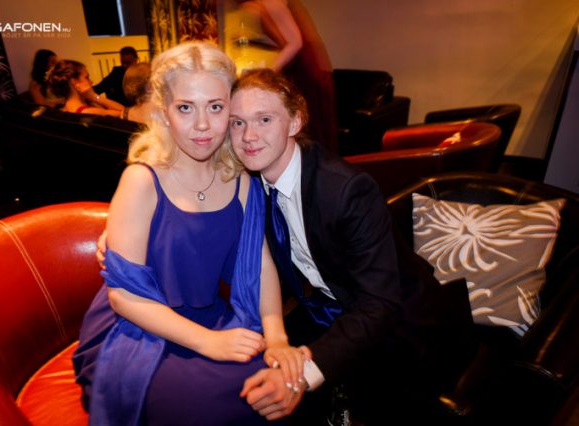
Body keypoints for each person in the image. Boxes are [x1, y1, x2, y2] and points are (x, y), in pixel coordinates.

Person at [73, 42, 306, 425]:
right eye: (185, 108)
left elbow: (259, 264)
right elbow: (123, 296)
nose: (202, 125)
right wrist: (209, 342)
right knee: (218, 407)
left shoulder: (240, 181)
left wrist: (277, 336)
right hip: (134, 332)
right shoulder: (141, 180)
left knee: (267, 386)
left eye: (215, 107)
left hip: (208, 316)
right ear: (163, 111)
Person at [229, 69, 469, 425]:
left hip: (403, 327)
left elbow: (379, 304)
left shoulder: (345, 190)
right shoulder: (252, 183)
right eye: (237, 123)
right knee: (240, 382)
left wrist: (302, 376)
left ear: (295, 121)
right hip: (331, 306)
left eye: (264, 119)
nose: (248, 136)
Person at [230, 0, 338, 153]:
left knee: (306, 132)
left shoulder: (271, 3)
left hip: (304, 74)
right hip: (296, 72)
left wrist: (267, 73)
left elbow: (296, 42)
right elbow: (280, 39)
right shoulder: (263, 5)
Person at [47, 59, 124, 117]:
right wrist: (94, 96)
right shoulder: (87, 112)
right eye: (86, 77)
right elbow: (124, 112)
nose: (91, 82)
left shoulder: (65, 108)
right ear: (75, 82)